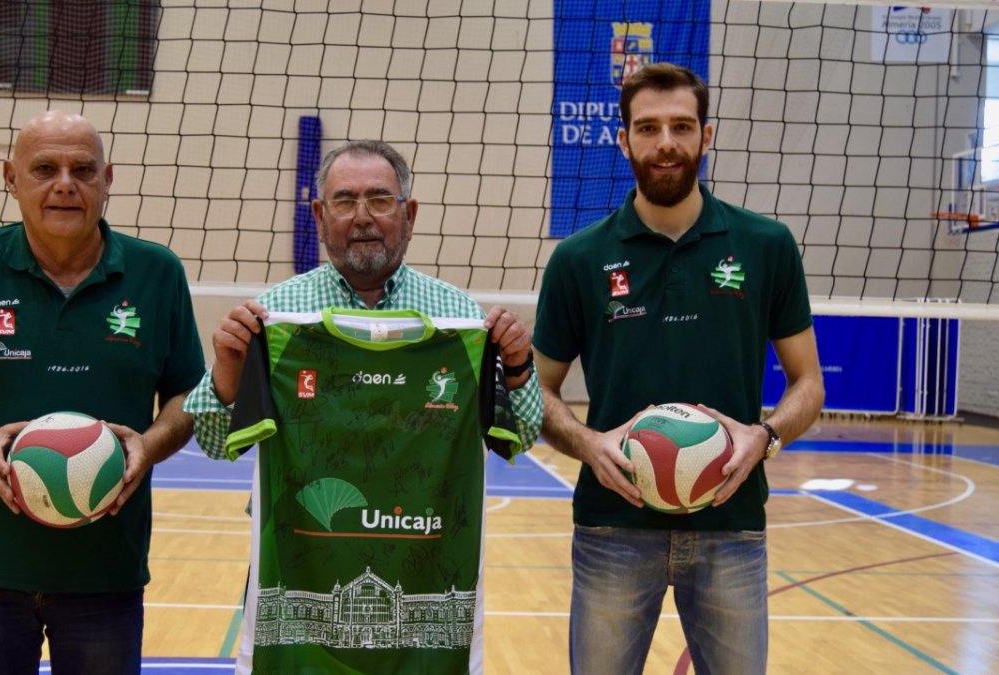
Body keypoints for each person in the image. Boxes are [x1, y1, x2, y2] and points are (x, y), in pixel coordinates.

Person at [183, 139, 544, 673]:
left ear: (410, 213)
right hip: (301, 570)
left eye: (379, 199)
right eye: (344, 201)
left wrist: (516, 368)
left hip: (422, 570)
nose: (362, 217)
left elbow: (525, 436)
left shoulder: (461, 319)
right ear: (318, 215)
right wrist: (228, 373)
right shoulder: (274, 317)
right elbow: (214, 443)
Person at [533, 63, 825, 675]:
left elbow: (808, 383)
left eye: (681, 126)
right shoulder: (578, 259)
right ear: (624, 140)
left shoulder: (765, 245)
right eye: (648, 128)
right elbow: (537, 390)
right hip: (612, 529)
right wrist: (589, 444)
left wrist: (764, 436)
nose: (665, 142)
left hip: (733, 525)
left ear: (705, 136)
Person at [0, 110, 205, 674]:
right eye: (45, 168)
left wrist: (150, 445)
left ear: (107, 180)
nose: (65, 183)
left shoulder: (157, 273)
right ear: (10, 178)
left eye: (83, 169)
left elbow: (188, 397)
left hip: (105, 572)